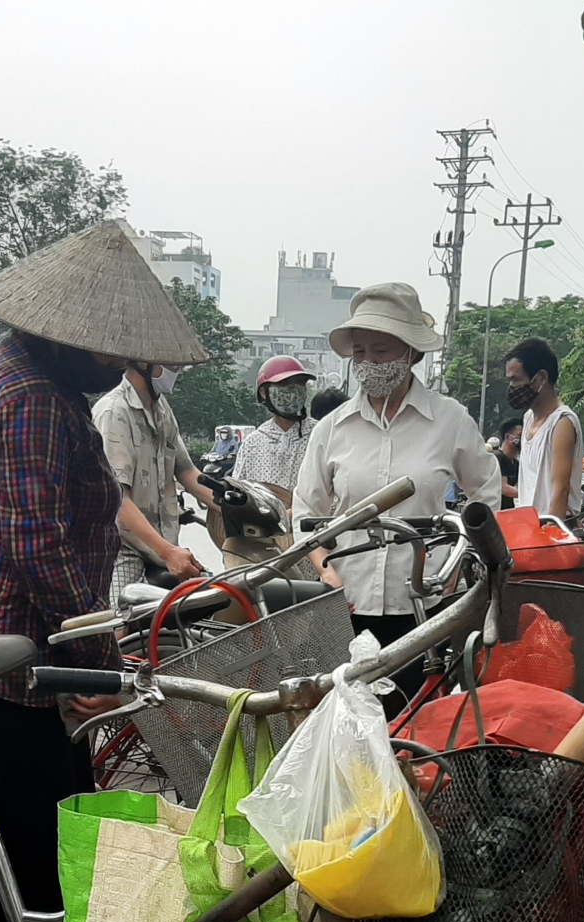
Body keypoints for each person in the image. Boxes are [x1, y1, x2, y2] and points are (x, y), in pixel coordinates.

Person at [0, 218, 208, 922]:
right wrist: (96, 659)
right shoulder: (33, 401)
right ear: (67, 334)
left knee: (17, 840)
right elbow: (39, 549)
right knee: (46, 849)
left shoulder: (32, 374)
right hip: (5, 653)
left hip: (10, 639)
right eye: (110, 348)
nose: (119, 363)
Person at [296, 282, 500, 667]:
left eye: (381, 350)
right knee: (350, 715)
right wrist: (326, 571)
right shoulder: (332, 428)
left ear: (410, 352)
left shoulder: (450, 419)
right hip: (347, 604)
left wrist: (459, 561)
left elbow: (486, 492)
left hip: (426, 605)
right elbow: (305, 510)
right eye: (360, 352)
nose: (369, 362)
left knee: (419, 717)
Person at [95, 360, 213, 600]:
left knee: (212, 597)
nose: (176, 371)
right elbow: (119, 501)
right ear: (143, 362)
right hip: (122, 550)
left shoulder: (161, 409)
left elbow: (188, 473)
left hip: (163, 548)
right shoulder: (114, 412)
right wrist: (168, 552)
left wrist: (233, 505)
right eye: (171, 365)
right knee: (122, 622)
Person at [229, 355, 317, 560]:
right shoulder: (254, 442)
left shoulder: (320, 435)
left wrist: (297, 513)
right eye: (285, 384)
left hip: (311, 549)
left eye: (299, 383)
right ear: (264, 393)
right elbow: (238, 497)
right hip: (264, 553)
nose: (293, 389)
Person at [505, 337, 584, 520]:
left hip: (552, 526)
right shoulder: (529, 418)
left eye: (516, 380)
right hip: (531, 525)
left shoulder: (561, 422)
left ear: (541, 378)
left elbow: (561, 489)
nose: (512, 388)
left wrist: (551, 534)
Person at [494, 416, 524, 502]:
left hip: (508, 510)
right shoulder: (498, 458)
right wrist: (528, 495)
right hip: (495, 510)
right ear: (508, 437)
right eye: (520, 435)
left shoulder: (515, 463)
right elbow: (503, 488)